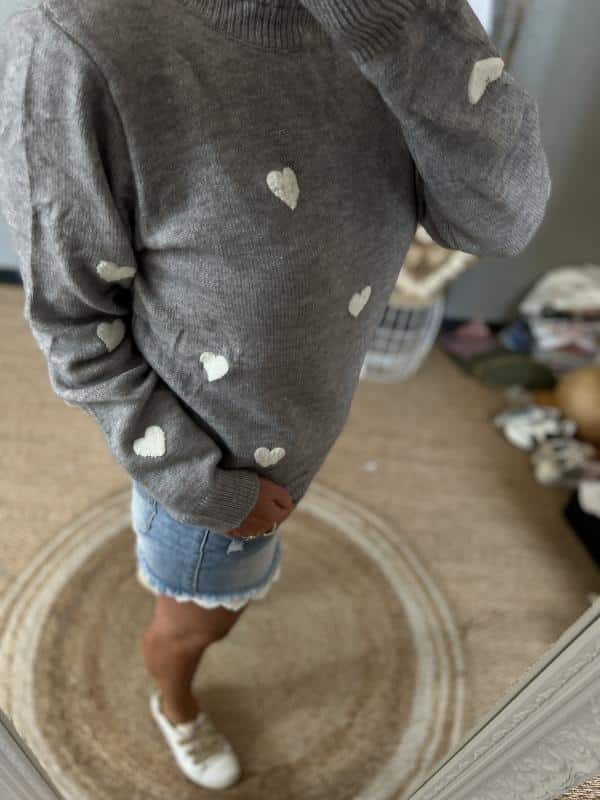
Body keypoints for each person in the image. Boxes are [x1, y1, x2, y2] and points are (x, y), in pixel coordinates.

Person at [0, 0, 551, 789]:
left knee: (221, 593)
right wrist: (206, 491)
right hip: (211, 467)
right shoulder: (75, 37)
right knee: (199, 625)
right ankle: (175, 704)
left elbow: (498, 219)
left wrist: (394, 22)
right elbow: (73, 326)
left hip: (298, 411)